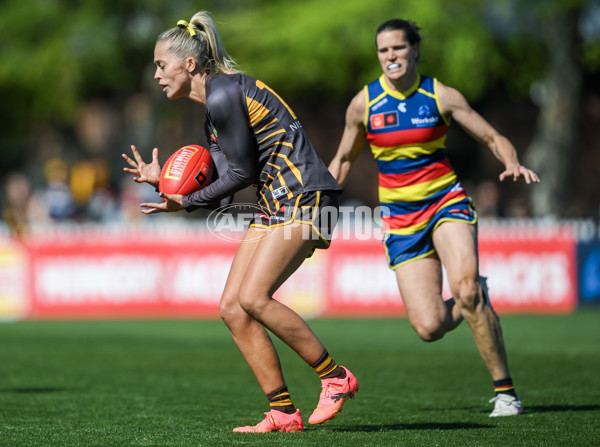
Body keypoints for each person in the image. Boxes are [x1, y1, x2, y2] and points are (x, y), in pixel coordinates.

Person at [121, 11, 358, 433]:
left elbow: (241, 173)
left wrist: (188, 201)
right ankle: (283, 412)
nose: (157, 74)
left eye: (161, 64)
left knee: (254, 297)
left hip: (304, 195)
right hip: (279, 200)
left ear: (190, 64)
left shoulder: (222, 94)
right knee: (233, 307)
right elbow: (226, 180)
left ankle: (335, 377)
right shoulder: (216, 103)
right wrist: (168, 186)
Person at [328, 18, 540, 417]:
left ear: (415, 50)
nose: (391, 56)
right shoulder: (364, 103)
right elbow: (341, 159)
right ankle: (474, 293)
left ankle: (506, 392)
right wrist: (316, 206)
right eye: (383, 50)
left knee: (465, 288)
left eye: (398, 48)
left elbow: (493, 137)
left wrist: (511, 160)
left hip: (446, 202)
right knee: (428, 327)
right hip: (400, 219)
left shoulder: (441, 95)